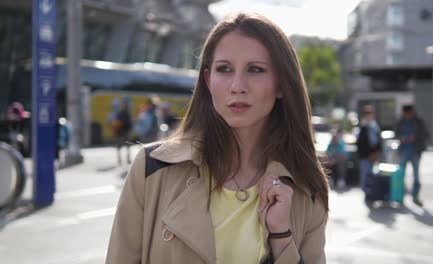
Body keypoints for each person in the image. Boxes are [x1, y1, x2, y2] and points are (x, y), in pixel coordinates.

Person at [106, 12, 329, 264]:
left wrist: (281, 237)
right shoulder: (152, 169)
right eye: (224, 69)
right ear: (208, 80)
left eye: (255, 69)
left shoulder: (305, 189)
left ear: (281, 84)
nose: (237, 85)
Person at [395, 105, 428, 206]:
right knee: (401, 175)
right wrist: (402, 138)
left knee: (416, 175)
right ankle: (400, 196)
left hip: (415, 151)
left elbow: (425, 134)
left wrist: (415, 138)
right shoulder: (401, 121)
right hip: (404, 150)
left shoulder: (418, 121)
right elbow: (396, 133)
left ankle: (415, 196)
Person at [356, 105, 381, 191]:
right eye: (367, 113)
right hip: (365, 154)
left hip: (373, 154)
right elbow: (361, 142)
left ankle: (371, 190)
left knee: (373, 173)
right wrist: (368, 153)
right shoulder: (362, 126)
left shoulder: (375, 125)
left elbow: (378, 140)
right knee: (365, 173)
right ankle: (365, 190)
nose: (369, 115)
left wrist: (376, 152)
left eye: (370, 113)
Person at [112, 98, 133, 165]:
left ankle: (123, 159)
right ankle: (122, 159)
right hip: (122, 132)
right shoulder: (123, 113)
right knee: (124, 147)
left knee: (125, 147)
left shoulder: (123, 113)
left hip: (123, 132)